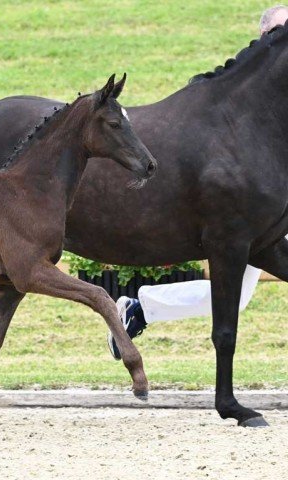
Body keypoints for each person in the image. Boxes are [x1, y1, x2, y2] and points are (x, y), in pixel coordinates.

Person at [107, 5, 288, 360]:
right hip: (253, 207)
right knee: (235, 293)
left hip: (273, 203)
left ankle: (141, 309)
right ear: (266, 38)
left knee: (238, 296)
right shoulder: (241, 94)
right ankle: (142, 309)